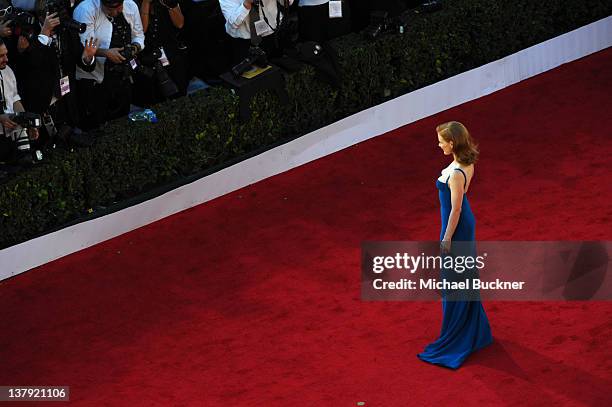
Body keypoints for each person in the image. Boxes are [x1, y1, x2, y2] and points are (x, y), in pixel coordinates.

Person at [417, 121, 493, 369]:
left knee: (452, 279)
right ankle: (473, 330)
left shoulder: (458, 172)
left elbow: (456, 208)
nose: (438, 145)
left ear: (452, 143)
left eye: (441, 141)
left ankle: (457, 336)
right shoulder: (465, 161)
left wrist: (446, 238)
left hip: (456, 226)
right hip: (461, 222)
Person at [15, 0, 98, 146]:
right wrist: (45, 34)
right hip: (42, 104)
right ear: (43, 17)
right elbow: (30, 65)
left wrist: (87, 58)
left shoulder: (66, 32)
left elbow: (82, 60)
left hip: (67, 99)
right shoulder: (28, 32)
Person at [73, 0, 145, 129]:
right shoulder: (86, 9)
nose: (115, 12)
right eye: (110, 9)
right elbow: (85, 47)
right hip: (96, 80)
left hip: (123, 76)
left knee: (122, 122)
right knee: (95, 125)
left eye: (119, 7)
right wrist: (106, 53)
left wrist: (133, 49)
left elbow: (139, 35)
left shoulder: (131, 6)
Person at [133, 0, 187, 106]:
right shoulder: (132, 4)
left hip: (171, 53)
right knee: (154, 100)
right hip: (147, 58)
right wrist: (146, 3)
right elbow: (141, 30)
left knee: (179, 93)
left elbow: (180, 23)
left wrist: (169, 4)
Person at [0, 38, 39, 164]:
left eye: (6, 54)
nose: (6, 59)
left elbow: (15, 99)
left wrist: (27, 122)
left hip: (13, 136)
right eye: (1, 56)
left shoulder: (8, 71)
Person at [219, 0, 294, 64]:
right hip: (244, 41)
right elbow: (233, 23)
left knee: (276, 70)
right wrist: (246, 4)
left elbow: (288, 3)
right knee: (250, 75)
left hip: (272, 33)